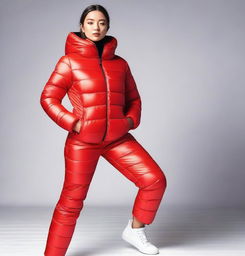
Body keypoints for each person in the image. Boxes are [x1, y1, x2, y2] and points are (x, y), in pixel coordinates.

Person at [40, 4, 167, 256]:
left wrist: (128, 122)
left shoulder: (120, 64)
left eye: (101, 22)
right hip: (83, 141)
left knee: (154, 181)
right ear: (81, 26)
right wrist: (74, 123)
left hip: (118, 139)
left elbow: (135, 100)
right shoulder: (69, 62)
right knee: (71, 202)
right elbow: (48, 98)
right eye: (90, 22)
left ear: (108, 27)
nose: (96, 27)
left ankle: (134, 230)